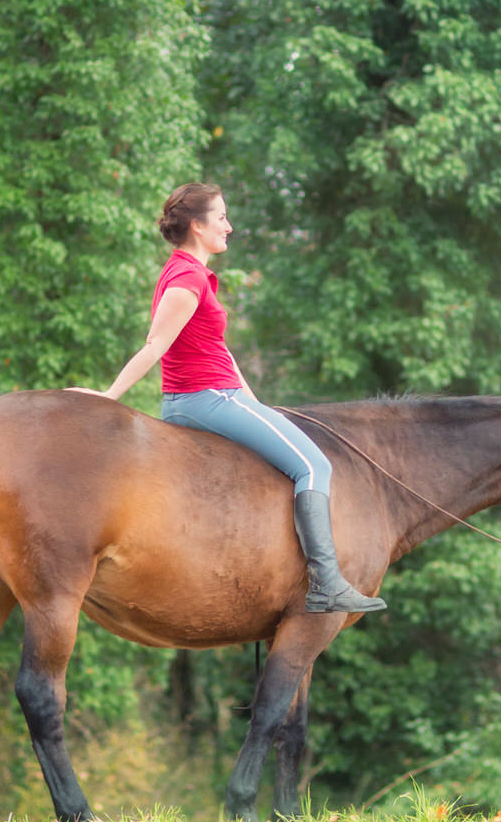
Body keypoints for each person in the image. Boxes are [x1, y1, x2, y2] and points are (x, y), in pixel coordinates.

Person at [73, 182, 386, 615]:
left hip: (218, 395)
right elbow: (155, 344)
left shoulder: (191, 272)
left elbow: (216, 347)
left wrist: (256, 404)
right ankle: (327, 583)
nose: (229, 226)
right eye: (221, 218)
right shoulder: (186, 278)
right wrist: (108, 396)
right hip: (206, 399)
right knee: (315, 465)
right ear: (198, 226)